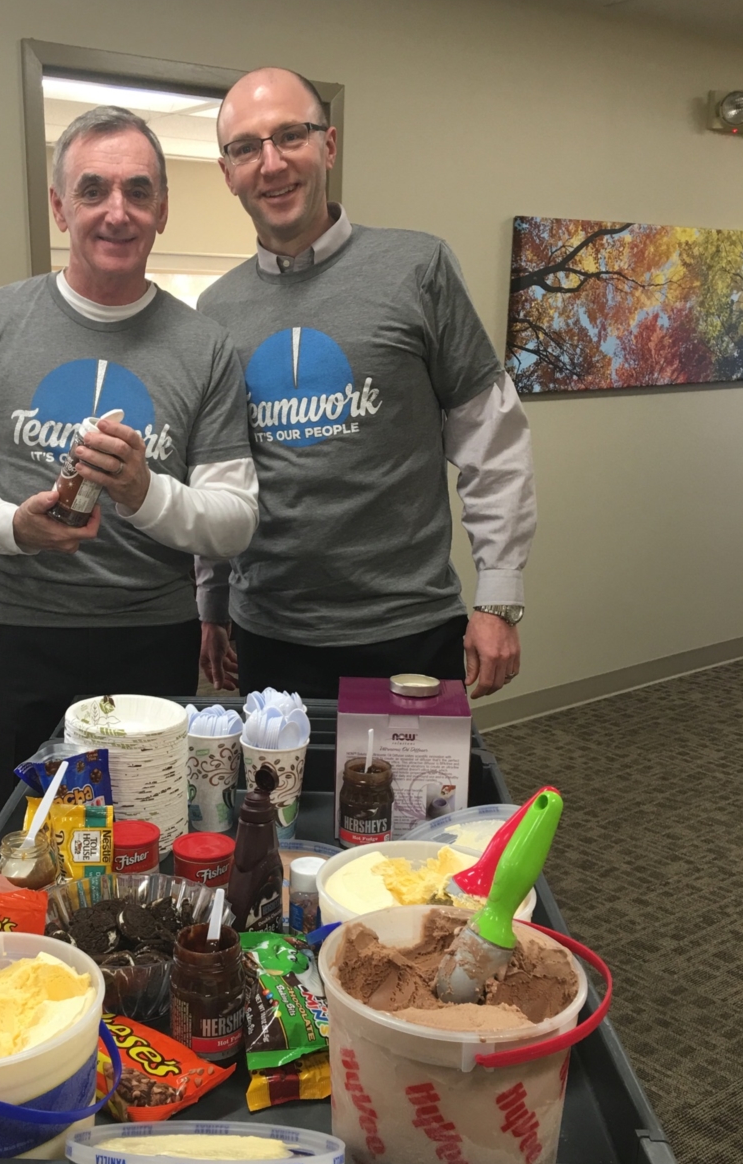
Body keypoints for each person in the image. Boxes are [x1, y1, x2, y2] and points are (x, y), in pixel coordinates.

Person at [0, 106, 257, 829]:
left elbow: (234, 521)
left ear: (163, 208)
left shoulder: (206, 347)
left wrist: (144, 491)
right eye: (92, 191)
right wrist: (12, 526)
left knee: (142, 845)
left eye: (137, 191)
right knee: (19, 848)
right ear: (60, 207)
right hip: (17, 636)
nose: (116, 212)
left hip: (151, 639)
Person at [196, 68, 535, 701]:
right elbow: (218, 470)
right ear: (228, 172)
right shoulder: (215, 310)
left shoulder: (418, 267)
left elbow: (493, 442)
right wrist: (211, 602)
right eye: (246, 147)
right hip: (267, 634)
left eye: (289, 136)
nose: (270, 164)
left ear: (327, 145)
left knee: (420, 805)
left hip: (406, 630)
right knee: (279, 804)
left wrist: (499, 596)